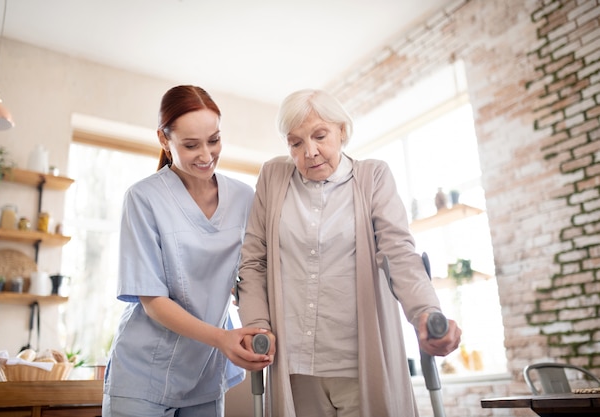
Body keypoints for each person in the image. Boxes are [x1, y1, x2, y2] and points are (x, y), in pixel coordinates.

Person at [236, 88, 462, 416]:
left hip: (358, 362)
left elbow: (398, 251)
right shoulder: (273, 176)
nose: (309, 152)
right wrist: (257, 324)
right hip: (296, 363)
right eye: (295, 143)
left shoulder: (373, 176)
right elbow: (254, 260)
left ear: (342, 130)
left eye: (320, 135)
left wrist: (425, 310)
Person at [102, 85, 271, 417]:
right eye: (191, 145)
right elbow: (152, 301)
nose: (206, 155)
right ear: (164, 140)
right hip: (141, 375)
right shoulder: (143, 198)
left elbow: (250, 274)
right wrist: (222, 337)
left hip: (204, 376)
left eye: (214, 140)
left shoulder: (244, 198)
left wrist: (258, 322)